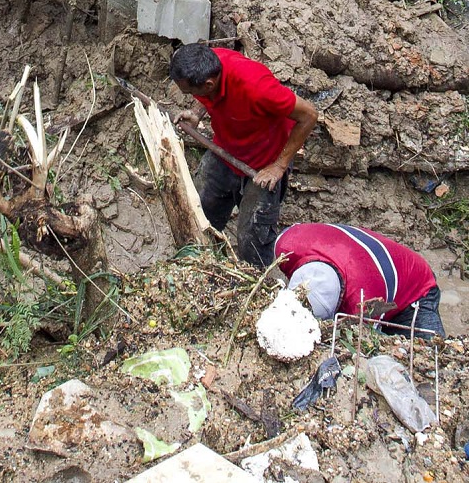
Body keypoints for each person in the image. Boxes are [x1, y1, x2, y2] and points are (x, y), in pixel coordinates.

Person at [168, 43, 319, 267]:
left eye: (190, 93)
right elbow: (206, 95)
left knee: (252, 243)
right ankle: (204, 269)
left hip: (263, 163)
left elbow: (309, 115)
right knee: (198, 216)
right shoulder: (206, 63)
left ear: (209, 84)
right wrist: (196, 112)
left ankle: (256, 289)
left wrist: (278, 166)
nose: (191, 96)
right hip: (225, 150)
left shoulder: (257, 87)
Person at [272, 222, 444, 339]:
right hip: (367, 262)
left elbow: (365, 341)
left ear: (340, 302)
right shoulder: (287, 245)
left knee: (428, 352)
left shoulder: (363, 301)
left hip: (416, 290)